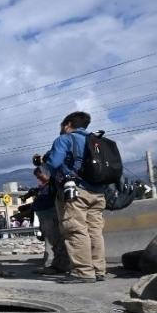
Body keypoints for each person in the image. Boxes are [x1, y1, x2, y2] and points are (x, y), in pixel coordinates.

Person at [46, 111, 107, 283]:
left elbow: (54, 163)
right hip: (98, 192)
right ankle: (98, 270)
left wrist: (47, 160)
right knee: (95, 231)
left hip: (76, 192)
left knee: (75, 229)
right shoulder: (97, 141)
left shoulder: (64, 139)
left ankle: (83, 272)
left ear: (67, 125)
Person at [27, 166, 70, 274]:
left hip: (51, 216)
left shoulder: (53, 185)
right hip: (46, 216)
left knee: (57, 241)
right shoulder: (45, 187)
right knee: (54, 241)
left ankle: (62, 265)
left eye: (40, 177)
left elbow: (50, 199)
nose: (39, 180)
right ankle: (59, 264)